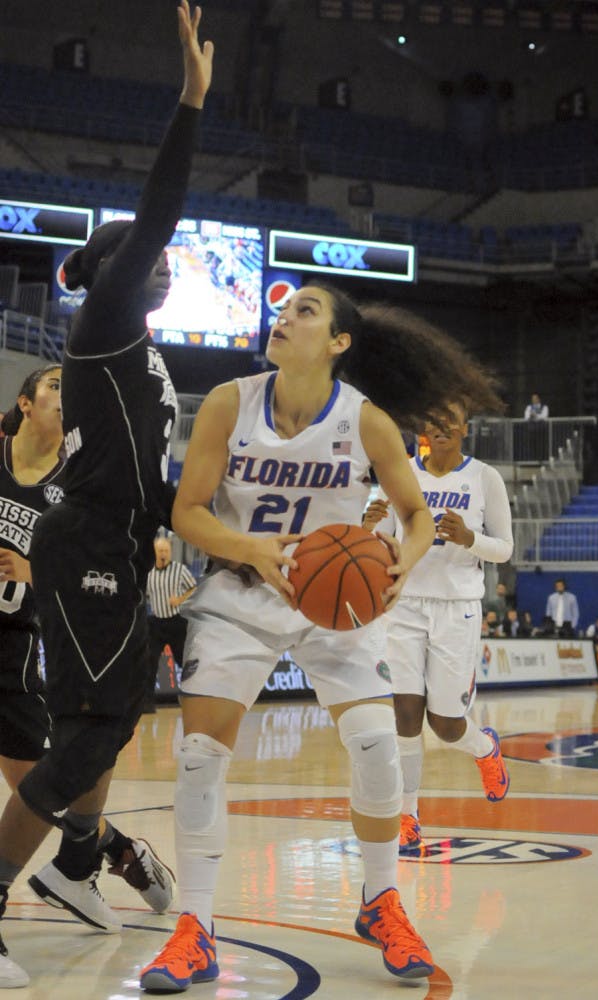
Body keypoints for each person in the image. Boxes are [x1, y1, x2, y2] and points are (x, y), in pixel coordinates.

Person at [139, 284, 504, 992]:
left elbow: (416, 515)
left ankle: (380, 901)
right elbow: (186, 512)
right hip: (243, 591)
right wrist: (252, 549)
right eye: (283, 310)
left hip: (335, 609)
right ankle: (196, 927)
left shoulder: (366, 423)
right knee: (197, 757)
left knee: (377, 746)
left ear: (339, 342)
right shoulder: (227, 402)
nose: (286, 317)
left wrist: (405, 561)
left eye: (305, 311)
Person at [0, 4, 213, 988]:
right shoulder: (104, 321)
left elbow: (154, 477)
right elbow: (161, 212)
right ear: (125, 269)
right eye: (153, 255)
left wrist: (202, 526)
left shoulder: (140, 355)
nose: (168, 262)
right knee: (86, 735)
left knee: (110, 727)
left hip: (118, 545)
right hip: (82, 543)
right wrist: (189, 105)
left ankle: (82, 863)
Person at [0, 368, 173, 982]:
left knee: (53, 787)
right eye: (54, 385)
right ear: (25, 403)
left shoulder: (76, 483)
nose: (66, 394)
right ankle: (115, 854)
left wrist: (35, 566)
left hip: (14, 648)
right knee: (59, 784)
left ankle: (94, 858)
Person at [362, 401, 513, 854]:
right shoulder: (400, 473)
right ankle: (408, 814)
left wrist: (470, 538)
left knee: (446, 725)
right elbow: (378, 543)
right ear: (423, 428)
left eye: (450, 419)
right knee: (404, 717)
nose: (440, 426)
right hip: (405, 604)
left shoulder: (485, 478)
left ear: (465, 428)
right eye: (432, 419)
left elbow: (504, 549)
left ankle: (484, 748)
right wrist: (365, 528)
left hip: (458, 608)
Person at [144, 534, 197, 712]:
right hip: (156, 623)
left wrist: (181, 599)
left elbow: (194, 587)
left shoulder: (179, 570)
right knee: (149, 663)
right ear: (154, 552)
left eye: (166, 550)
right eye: (160, 551)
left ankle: (192, 699)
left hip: (176, 622)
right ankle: (147, 704)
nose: (163, 554)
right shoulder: (148, 571)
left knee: (184, 661)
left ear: (171, 552)